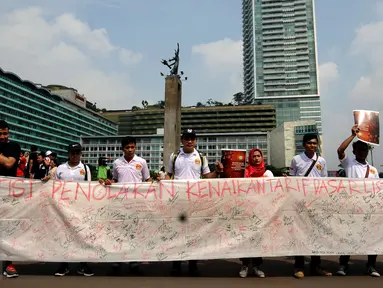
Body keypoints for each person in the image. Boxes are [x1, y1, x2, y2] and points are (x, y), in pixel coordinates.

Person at [165, 128, 223, 276]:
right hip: (178, 199)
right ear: (182, 140)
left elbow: (207, 176)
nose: (190, 141)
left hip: (195, 200)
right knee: (177, 232)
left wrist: (217, 172)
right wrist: (161, 183)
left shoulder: (201, 157)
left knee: (194, 233)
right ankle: (176, 264)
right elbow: (169, 176)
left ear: (195, 140)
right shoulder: (175, 156)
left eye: (192, 138)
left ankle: (193, 264)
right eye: (187, 138)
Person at [100, 136, 152, 275]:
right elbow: (115, 180)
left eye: (132, 147)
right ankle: (117, 260)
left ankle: (133, 261)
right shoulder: (117, 163)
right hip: (120, 202)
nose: (130, 150)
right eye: (127, 147)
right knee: (119, 231)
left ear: (135, 147)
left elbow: (147, 180)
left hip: (137, 202)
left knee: (134, 232)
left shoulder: (142, 162)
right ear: (122, 149)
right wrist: (109, 182)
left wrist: (159, 183)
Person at [336, 125, 380, 277]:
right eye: (359, 149)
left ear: (367, 152)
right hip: (351, 208)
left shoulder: (373, 170)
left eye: (364, 149)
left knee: (371, 237)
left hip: (368, 209)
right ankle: (343, 265)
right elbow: (340, 150)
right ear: (354, 151)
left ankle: (371, 265)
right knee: (348, 236)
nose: (362, 152)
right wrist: (353, 136)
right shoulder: (349, 164)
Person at [289, 133, 331, 279]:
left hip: (317, 202)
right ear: (304, 144)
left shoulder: (322, 161)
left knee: (316, 235)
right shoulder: (296, 159)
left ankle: (316, 265)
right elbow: (292, 181)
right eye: (309, 143)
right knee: (299, 234)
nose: (312, 145)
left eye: (315, 143)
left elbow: (324, 181)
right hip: (300, 202)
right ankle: (298, 266)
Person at [53, 143, 94, 277]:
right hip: (63, 208)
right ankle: (64, 264)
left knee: (82, 235)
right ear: (68, 154)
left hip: (80, 207)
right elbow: (53, 187)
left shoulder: (86, 169)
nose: (75, 155)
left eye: (77, 153)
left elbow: (89, 188)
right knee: (64, 235)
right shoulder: (60, 168)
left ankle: (83, 263)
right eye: (73, 153)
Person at [239, 148, 271, 278]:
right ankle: (245, 265)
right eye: (254, 156)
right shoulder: (244, 173)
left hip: (261, 211)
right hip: (246, 210)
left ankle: (257, 266)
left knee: (258, 239)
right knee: (246, 238)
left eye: (259, 156)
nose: (256, 158)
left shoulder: (268, 173)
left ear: (262, 158)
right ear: (250, 158)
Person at [0, 120, 21, 278]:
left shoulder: (14, 147)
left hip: (8, 194)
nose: (3, 136)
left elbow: (9, 164)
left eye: (5, 133)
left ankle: (8, 264)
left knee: (8, 229)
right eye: (0, 134)